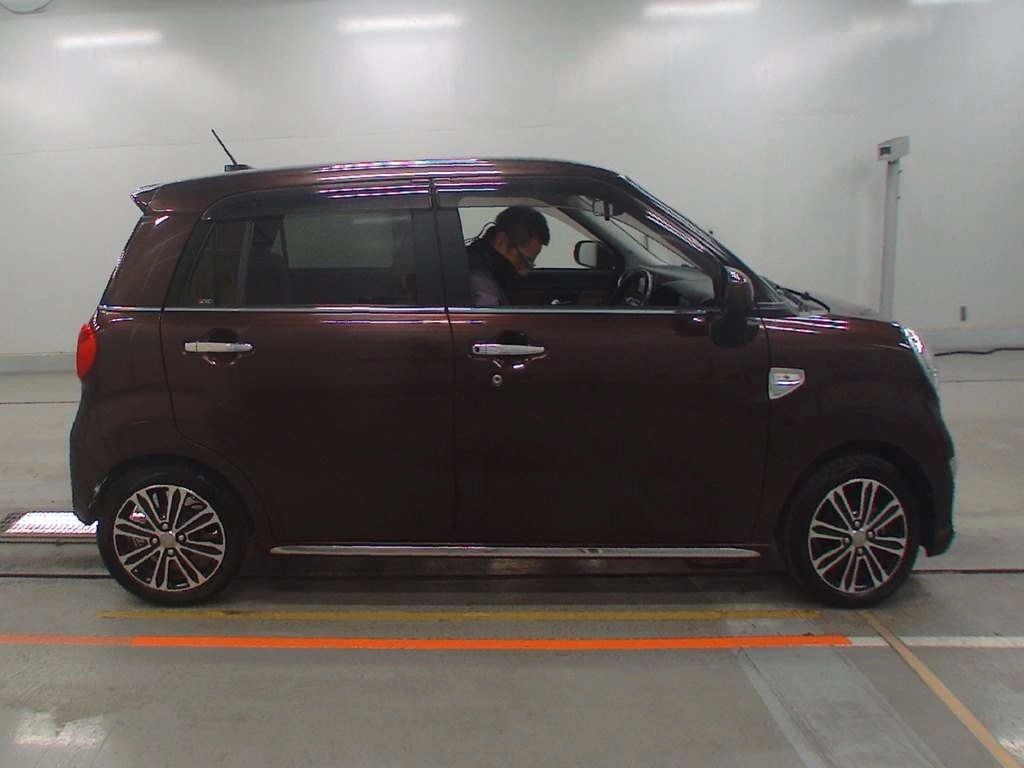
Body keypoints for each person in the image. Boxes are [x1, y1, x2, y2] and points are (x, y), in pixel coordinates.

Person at [466, 206, 550, 306]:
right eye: (523, 261)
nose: (523, 272)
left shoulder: (481, 268)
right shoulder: (482, 285)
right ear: (501, 241)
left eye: (530, 264)